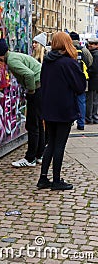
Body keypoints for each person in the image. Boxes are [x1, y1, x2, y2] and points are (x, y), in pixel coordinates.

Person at [37, 32, 86, 190]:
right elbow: (80, 87)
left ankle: (43, 178)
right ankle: (56, 180)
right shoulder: (68, 63)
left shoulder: (47, 61)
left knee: (50, 143)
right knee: (59, 145)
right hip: (63, 109)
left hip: (48, 108)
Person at [0, 38, 44, 167]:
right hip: (41, 87)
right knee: (37, 122)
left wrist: (31, 91)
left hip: (37, 88)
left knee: (32, 124)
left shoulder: (12, 61)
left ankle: (30, 158)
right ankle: (39, 154)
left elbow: (29, 74)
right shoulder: (13, 57)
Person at [69, 31, 93, 130]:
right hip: (82, 78)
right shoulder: (84, 50)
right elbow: (90, 61)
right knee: (81, 101)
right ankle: (81, 123)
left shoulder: (68, 49)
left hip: (69, 79)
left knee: (69, 100)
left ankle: (69, 122)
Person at [31, 32, 48, 163]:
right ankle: (40, 152)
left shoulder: (44, 60)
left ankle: (39, 152)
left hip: (41, 93)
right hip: (40, 93)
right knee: (39, 123)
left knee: (39, 123)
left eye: (36, 43)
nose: (33, 45)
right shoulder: (35, 58)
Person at [86, 38, 98, 124]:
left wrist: (87, 70)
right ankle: (93, 116)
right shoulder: (93, 53)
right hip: (94, 80)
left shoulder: (95, 54)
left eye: (92, 43)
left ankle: (91, 117)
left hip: (93, 80)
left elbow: (94, 68)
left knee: (92, 100)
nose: (90, 45)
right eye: (89, 43)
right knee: (94, 100)